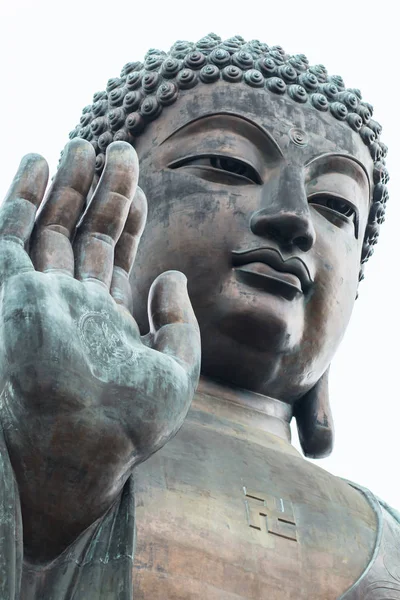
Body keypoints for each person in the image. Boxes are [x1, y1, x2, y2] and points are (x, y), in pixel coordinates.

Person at [0, 33, 397, 599]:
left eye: (336, 205)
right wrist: (46, 498)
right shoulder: (23, 450)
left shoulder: (388, 537)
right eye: (226, 164)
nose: (293, 219)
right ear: (100, 217)